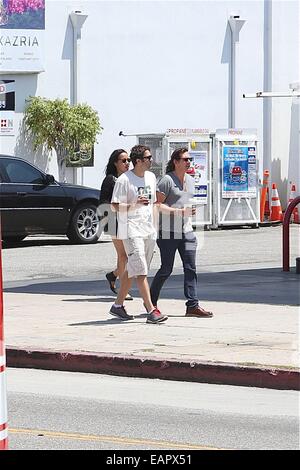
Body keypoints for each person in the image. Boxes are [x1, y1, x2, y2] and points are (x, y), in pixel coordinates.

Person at [150, 148, 213, 318]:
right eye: (185, 159)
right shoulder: (166, 180)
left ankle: (192, 305)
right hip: (168, 232)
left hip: (187, 231)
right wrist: (178, 212)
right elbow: (157, 205)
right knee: (166, 269)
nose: (188, 162)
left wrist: (189, 211)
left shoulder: (191, 180)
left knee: (190, 268)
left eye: (190, 159)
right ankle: (151, 303)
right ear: (176, 161)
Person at [109, 145, 168, 324]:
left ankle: (117, 305)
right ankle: (151, 310)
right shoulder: (124, 180)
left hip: (148, 230)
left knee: (134, 269)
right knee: (141, 270)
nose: (152, 160)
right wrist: (133, 204)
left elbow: (152, 204)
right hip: (131, 230)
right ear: (139, 161)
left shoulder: (151, 177)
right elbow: (114, 206)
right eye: (148, 157)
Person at [99, 149, 133, 301]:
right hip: (113, 221)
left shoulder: (127, 179)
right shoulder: (110, 179)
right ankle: (122, 289)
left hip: (127, 220)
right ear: (115, 163)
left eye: (128, 160)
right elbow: (104, 203)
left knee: (127, 255)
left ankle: (113, 275)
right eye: (123, 160)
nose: (127, 163)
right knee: (124, 255)